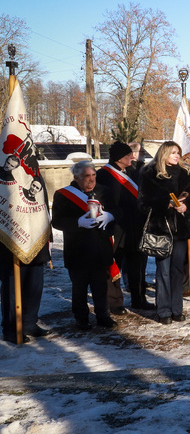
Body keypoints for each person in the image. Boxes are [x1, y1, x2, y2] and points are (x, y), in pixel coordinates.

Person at [138, 142, 190, 325]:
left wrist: (187, 207)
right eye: (173, 152)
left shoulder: (186, 172)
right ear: (164, 153)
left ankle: (176, 309)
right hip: (161, 229)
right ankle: (164, 310)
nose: (176, 155)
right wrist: (165, 203)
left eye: (178, 153)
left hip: (180, 228)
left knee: (177, 270)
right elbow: (142, 203)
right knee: (163, 271)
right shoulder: (149, 173)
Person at [52, 160, 118, 331]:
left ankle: (103, 316)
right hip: (77, 250)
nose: (91, 179)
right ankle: (81, 318)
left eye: (93, 175)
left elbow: (118, 211)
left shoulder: (104, 191)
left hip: (100, 248)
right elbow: (57, 221)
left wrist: (110, 216)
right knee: (79, 289)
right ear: (76, 177)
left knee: (101, 287)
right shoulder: (63, 194)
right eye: (87, 176)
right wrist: (77, 222)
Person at [97, 140, 154, 311]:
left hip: (135, 227)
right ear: (119, 158)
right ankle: (114, 303)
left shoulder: (133, 172)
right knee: (114, 267)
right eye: (129, 155)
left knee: (137, 266)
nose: (132, 157)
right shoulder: (103, 175)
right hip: (116, 228)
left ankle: (139, 299)